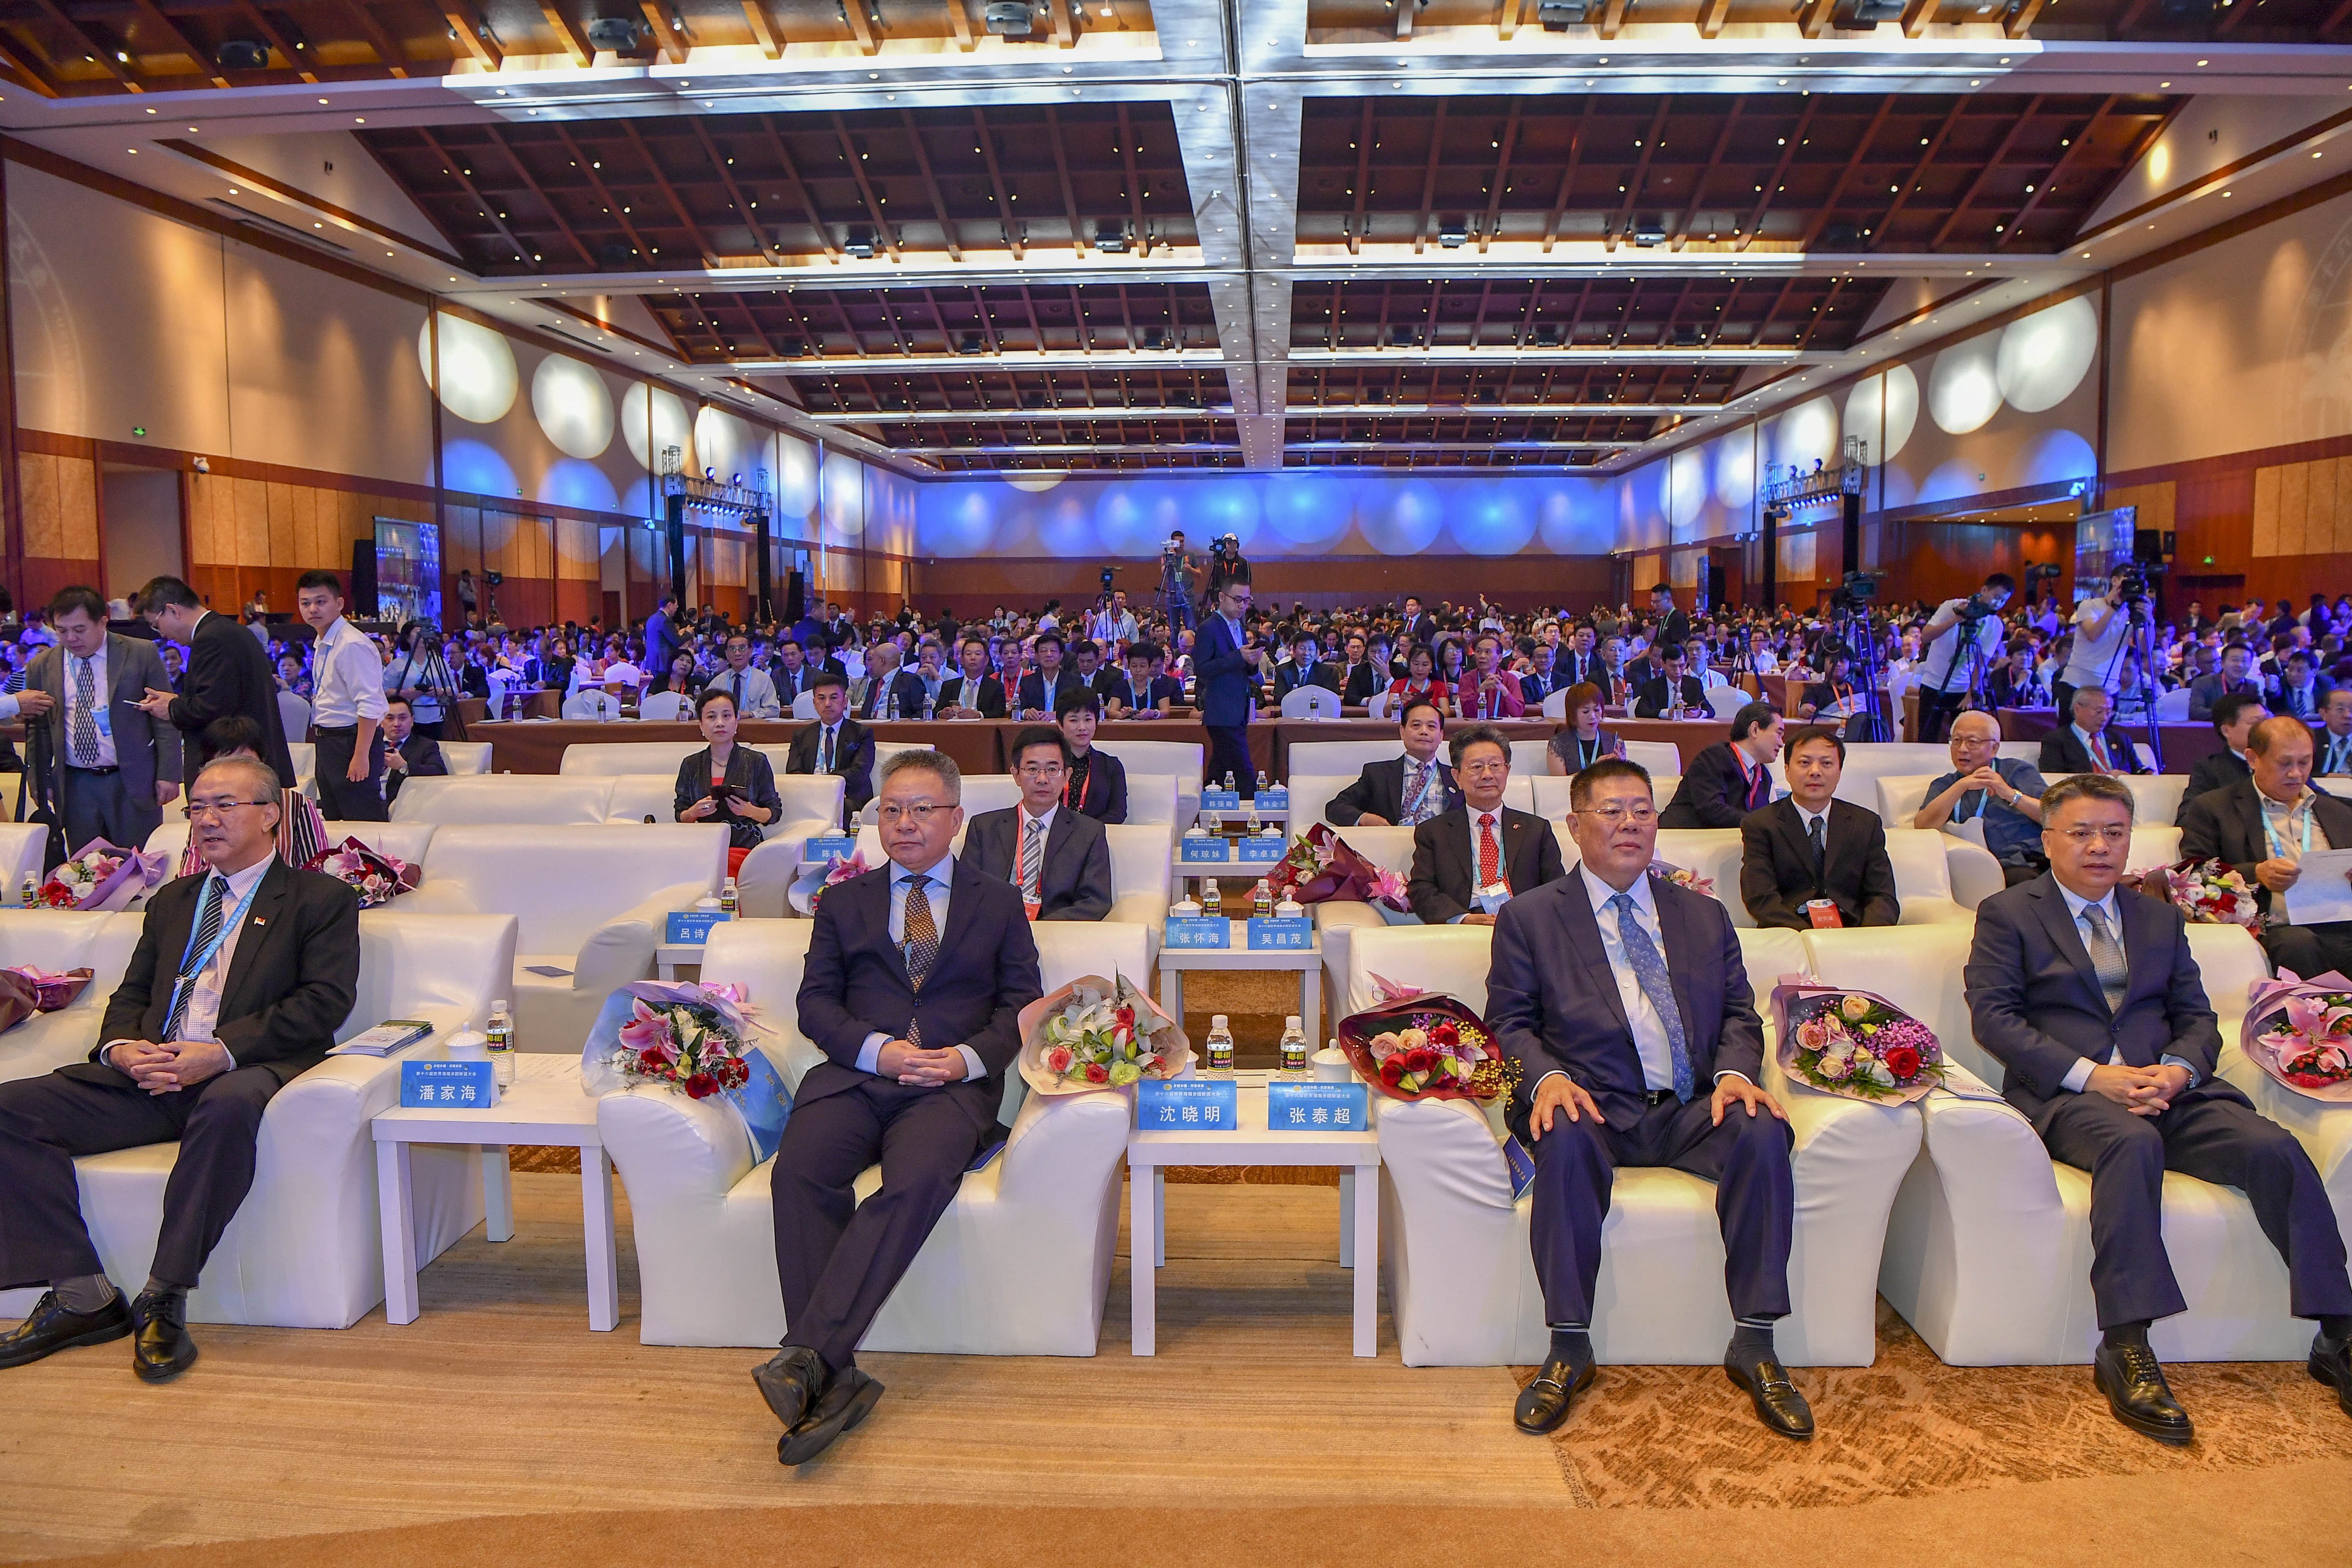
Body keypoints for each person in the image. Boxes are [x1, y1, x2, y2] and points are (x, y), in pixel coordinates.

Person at [1966, 772, 2352, 1443]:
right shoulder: (2008, 913)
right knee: (2131, 1144)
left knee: (2273, 1147)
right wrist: (2095, 1077)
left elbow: (2197, 1017)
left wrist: (2177, 1071)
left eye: (2114, 833)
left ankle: (2338, 1333)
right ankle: (2126, 1345)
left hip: (2172, 1089)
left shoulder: (2159, 916)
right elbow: (1995, 1019)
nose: (2099, 847)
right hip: (2073, 1096)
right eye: (2082, 833)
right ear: (2048, 839)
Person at [0, 753, 361, 1383]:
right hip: (154, 1071)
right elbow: (133, 995)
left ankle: (164, 1296)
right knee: (10, 1110)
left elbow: (323, 1002)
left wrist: (218, 1052)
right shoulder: (173, 900)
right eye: (197, 808)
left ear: (270, 815)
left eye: (225, 805)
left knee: (227, 1105)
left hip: (242, 1069)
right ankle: (82, 1295)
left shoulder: (319, 898)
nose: (206, 820)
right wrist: (121, 1048)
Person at [1491, 756, 1808, 1440]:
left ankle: (1755, 1342)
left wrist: (1735, 1074)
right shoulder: (1530, 918)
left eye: (1641, 810)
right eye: (1611, 811)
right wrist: (1547, 1079)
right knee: (1562, 1135)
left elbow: (1739, 1013)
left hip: (1691, 1106)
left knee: (1761, 1130)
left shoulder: (1702, 914)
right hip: (1591, 1103)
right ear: (1575, 825)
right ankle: (1567, 1346)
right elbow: (1509, 1023)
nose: (1629, 823)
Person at [752, 749, 1041, 1464]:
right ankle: (833, 1375)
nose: (904, 823)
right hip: (854, 1079)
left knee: (914, 1181)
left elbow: (1020, 1006)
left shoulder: (998, 902)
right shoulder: (842, 901)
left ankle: (810, 1356)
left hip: (949, 1088)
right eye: (891, 810)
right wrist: (875, 1050)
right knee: (799, 1174)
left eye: (921, 809)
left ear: (956, 819)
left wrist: (965, 1059)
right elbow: (815, 1003)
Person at [2181, 716, 2352, 980]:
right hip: (2276, 926)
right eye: (2285, 763)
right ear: (2253, 759)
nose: (2296, 773)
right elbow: (2195, 873)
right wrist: (2256, 873)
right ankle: (2315, 1009)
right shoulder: (2214, 808)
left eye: (2305, 762)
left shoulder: (2337, 811)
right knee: (2298, 945)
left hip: (2340, 920)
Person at [16, 586, 181, 855]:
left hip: (131, 779)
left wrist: (168, 774)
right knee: (84, 867)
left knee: (140, 863)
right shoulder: (42, 666)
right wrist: (39, 781)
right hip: (76, 783)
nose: (71, 638)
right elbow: (39, 730)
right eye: (61, 630)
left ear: (103, 622)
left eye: (80, 630)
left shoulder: (140, 653)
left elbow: (164, 717)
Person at [132, 576, 297, 792]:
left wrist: (171, 708)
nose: (162, 634)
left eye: (157, 625)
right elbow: (225, 696)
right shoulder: (228, 630)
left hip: (235, 770)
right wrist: (177, 701)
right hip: (249, 762)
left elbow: (213, 708)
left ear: (173, 610)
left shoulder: (211, 639)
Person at [1739, 727, 1899, 930]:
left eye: (1826, 764)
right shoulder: (1761, 825)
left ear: (1839, 772)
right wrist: (1809, 938)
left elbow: (1883, 896)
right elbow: (1761, 898)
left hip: (1853, 932)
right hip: (1790, 933)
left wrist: (1866, 937)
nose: (1815, 772)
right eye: (1805, 763)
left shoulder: (1866, 824)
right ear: (1787, 770)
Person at [1406, 724, 1563, 925]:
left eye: (1495, 765)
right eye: (1477, 767)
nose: (1487, 775)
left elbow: (1557, 887)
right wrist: (1463, 919)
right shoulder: (1433, 832)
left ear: (1507, 771)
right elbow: (1422, 890)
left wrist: (1525, 920)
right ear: (1457, 777)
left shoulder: (1537, 830)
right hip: (1464, 926)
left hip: (1523, 924)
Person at [961, 726, 1114, 921]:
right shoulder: (983, 828)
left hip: (1056, 931)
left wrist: (1040, 929)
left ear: (1066, 776)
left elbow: (1095, 902)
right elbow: (966, 891)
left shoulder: (1089, 832)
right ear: (1016, 775)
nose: (1042, 779)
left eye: (1052, 770)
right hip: (994, 930)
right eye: (1032, 769)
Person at [174, 719, 328, 877]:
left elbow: (318, 866)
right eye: (226, 764)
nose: (236, 773)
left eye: (246, 763)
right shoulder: (205, 808)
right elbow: (190, 869)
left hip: (280, 888)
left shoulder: (295, 803)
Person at [294, 571, 387, 822]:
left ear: (340, 603)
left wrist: (361, 755)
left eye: (321, 602)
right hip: (328, 741)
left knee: (363, 820)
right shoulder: (323, 641)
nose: (313, 609)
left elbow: (370, 704)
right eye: (305, 603)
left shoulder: (351, 644)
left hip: (351, 741)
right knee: (335, 819)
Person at [1915, 710, 2047, 887]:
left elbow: (2057, 815)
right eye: (1957, 740)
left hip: (2039, 857)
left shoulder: (2016, 770)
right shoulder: (1945, 784)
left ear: (1994, 749)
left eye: (1973, 742)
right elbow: (1922, 827)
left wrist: (2009, 793)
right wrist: (1961, 786)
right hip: (1996, 867)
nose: (1962, 749)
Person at [674, 687, 783, 877]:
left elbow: (774, 813)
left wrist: (749, 811)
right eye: (711, 717)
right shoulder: (691, 764)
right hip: (702, 847)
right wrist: (694, 812)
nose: (720, 723)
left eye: (727, 716)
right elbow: (680, 815)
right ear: (701, 725)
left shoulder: (756, 761)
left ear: (736, 722)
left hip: (744, 848)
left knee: (719, 869)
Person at [1913, 574, 2015, 744]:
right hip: (1934, 684)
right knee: (1927, 738)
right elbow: (1926, 636)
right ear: (1984, 590)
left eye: (2003, 601)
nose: (1998, 604)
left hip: (1963, 688)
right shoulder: (1952, 606)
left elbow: (1981, 663)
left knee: (1966, 740)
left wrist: (1970, 694)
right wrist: (1957, 619)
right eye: (1996, 597)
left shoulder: (1996, 625)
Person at [1328, 697, 1458, 828]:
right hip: (1392, 839)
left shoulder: (1457, 777)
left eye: (1431, 726)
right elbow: (1336, 807)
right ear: (1402, 732)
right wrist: (1364, 818)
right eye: (1416, 725)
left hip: (1442, 840)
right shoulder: (1378, 774)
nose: (1424, 732)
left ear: (1441, 736)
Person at [1661, 702, 1784, 829]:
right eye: (1779, 734)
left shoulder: (1764, 776)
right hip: (1681, 836)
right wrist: (1762, 823)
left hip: (1728, 840)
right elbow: (1712, 810)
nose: (1781, 743)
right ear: (1755, 730)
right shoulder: (1714, 758)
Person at [1195, 579, 1264, 795]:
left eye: (1247, 600)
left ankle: (1208, 803)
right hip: (1221, 711)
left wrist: (1252, 662)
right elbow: (1202, 669)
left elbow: (1241, 667)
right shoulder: (1209, 628)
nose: (1242, 606)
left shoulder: (1238, 626)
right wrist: (1239, 657)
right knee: (1244, 771)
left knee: (1221, 768)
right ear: (1222, 598)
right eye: (1238, 600)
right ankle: (1255, 811)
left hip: (1238, 710)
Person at [783, 671, 874, 830]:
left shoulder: (862, 733)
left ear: (845, 702)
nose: (827, 704)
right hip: (809, 795)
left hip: (847, 795)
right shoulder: (801, 735)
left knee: (843, 806)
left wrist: (830, 787)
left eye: (833, 698)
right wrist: (819, 789)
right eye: (821, 698)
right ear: (814, 703)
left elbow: (860, 772)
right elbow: (793, 772)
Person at [2056, 567, 2137, 721]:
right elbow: (2093, 634)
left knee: (2102, 736)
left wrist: (2148, 618)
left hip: (2110, 689)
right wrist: (2114, 607)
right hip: (2077, 686)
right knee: (2071, 735)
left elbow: (2145, 648)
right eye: (2127, 580)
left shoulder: (2132, 613)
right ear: (2115, 581)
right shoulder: (2089, 605)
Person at [2176, 692, 2265, 824]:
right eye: (2255, 724)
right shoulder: (2210, 769)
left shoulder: (2280, 763)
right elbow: (2188, 818)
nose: (2264, 729)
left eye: (2266, 721)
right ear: (2226, 731)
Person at [2039, 686, 2151, 776]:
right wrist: (2106, 779)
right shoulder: (2056, 740)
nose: (2104, 718)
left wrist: (2143, 775)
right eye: (2099, 712)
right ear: (2078, 709)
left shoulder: (2121, 739)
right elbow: (2053, 777)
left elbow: (2138, 771)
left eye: (2108, 712)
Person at [1056, 693, 1126, 824]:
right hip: (1054, 833)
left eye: (1088, 719)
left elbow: (1118, 812)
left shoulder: (1111, 766)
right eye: (1074, 720)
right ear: (1060, 724)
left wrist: (1087, 830)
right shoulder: (1049, 764)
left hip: (1095, 833)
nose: (1082, 727)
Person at [383, 621, 455, 741]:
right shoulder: (397, 664)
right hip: (408, 718)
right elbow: (385, 690)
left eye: (425, 633)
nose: (423, 637)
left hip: (436, 716)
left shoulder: (439, 662)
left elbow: (454, 689)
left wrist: (440, 691)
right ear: (407, 638)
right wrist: (404, 693)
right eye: (418, 633)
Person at [378, 697, 446, 805]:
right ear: (381, 722)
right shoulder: (368, 745)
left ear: (412, 721)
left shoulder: (426, 746)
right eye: (390, 718)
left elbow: (440, 773)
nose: (397, 724)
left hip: (403, 804)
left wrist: (404, 767)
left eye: (403, 718)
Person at [1547, 683, 1623, 776]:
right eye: (1586, 711)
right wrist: (1594, 768)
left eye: (1597, 710)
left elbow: (1623, 780)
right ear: (1572, 714)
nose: (1593, 716)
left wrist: (1622, 768)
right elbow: (1558, 782)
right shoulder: (1559, 744)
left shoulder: (1614, 742)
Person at [708, 633, 782, 721]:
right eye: (733, 649)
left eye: (742, 648)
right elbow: (703, 706)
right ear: (727, 654)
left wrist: (751, 714)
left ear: (751, 652)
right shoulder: (718, 681)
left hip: (753, 727)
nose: (737, 653)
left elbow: (774, 711)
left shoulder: (763, 679)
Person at [2187, 641, 2262, 723]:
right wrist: (2233, 715)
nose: (2240, 665)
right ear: (2222, 663)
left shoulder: (2252, 686)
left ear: (2251, 664)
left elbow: (2260, 712)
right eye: (2235, 660)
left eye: (2245, 661)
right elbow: (2196, 712)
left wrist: (2270, 691)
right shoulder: (2203, 683)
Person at [1457, 633, 1525, 720]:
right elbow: (1468, 713)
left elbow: (1518, 713)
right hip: (1475, 727)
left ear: (1500, 658)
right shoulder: (1467, 679)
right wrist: (1481, 690)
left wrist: (1505, 691)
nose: (1482, 656)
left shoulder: (1510, 679)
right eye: (1478, 652)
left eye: (1488, 652)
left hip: (1503, 727)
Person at [938, 636, 1009, 720]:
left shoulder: (996, 687)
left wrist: (978, 715)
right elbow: (936, 711)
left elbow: (999, 712)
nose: (973, 658)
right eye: (968, 654)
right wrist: (942, 714)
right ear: (962, 659)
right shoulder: (949, 686)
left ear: (986, 660)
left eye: (978, 654)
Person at [1015, 630, 1079, 721]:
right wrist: (1026, 712)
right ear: (1037, 656)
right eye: (1044, 651)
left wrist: (1058, 715)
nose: (1049, 655)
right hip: (1035, 728)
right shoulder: (1027, 682)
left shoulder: (1074, 682)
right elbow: (1019, 708)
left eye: (1053, 651)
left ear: (1061, 656)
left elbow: (1078, 709)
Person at [1630, 643, 1705, 720]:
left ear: (1686, 664)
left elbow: (1709, 710)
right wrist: (1668, 713)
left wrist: (1699, 713)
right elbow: (1641, 712)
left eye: (1681, 666)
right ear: (1663, 665)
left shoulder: (1695, 684)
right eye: (1673, 666)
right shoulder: (1651, 686)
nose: (1678, 671)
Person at [1109, 642, 1183, 719]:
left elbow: (1166, 712)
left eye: (1143, 666)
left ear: (1149, 667)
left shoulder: (1161, 686)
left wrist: (1153, 714)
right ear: (1129, 666)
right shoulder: (1120, 686)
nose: (1138, 670)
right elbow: (1112, 712)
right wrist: (1122, 715)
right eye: (1134, 666)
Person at [1272, 631, 1342, 702]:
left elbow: (1332, 700)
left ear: (1317, 653)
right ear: (1294, 651)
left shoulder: (1328, 672)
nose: (1306, 653)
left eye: (1311, 649)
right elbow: (1279, 699)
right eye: (1302, 649)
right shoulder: (1283, 671)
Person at [1383, 644, 1448, 717]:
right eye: (1416, 664)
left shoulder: (1439, 686)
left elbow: (1447, 712)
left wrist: (1433, 709)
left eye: (1425, 665)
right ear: (1409, 664)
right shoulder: (1399, 684)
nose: (1420, 669)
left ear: (1432, 666)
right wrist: (1399, 701)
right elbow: (1386, 713)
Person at [2272, 648, 2333, 720]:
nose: (2293, 674)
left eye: (2300, 671)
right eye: (2290, 669)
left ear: (2314, 672)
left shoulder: (2326, 685)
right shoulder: (2282, 683)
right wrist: (2271, 689)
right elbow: (2272, 697)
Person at [2318, 688, 2352, 777]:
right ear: (2324, 713)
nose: (2348, 715)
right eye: (2340, 709)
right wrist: (2325, 776)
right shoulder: (2311, 740)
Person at [1648, 583, 1691, 653]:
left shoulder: (1679, 618)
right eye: (1653, 602)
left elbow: (1682, 647)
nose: (1655, 606)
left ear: (1668, 600)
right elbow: (1654, 647)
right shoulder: (1663, 620)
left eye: (1657, 602)